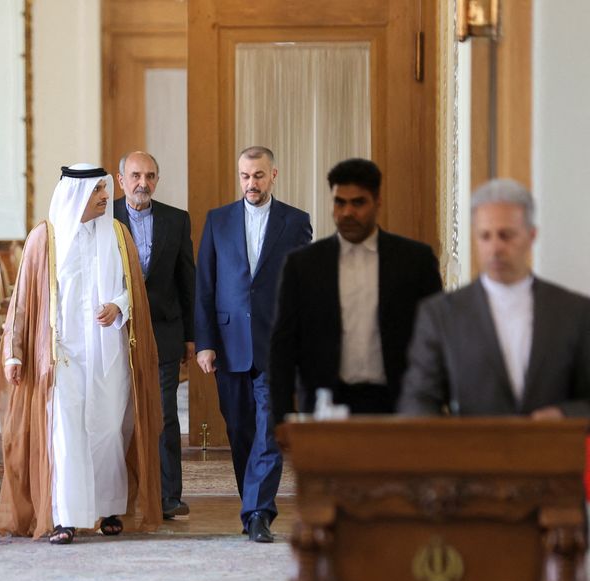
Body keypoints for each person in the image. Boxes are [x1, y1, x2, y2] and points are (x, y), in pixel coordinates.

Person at [0, 164, 163, 544]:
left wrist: (119, 306)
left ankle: (107, 510)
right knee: (66, 434)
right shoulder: (46, 238)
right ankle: (64, 517)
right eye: (98, 192)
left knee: (106, 431)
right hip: (60, 356)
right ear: (76, 196)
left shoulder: (118, 235)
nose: (106, 198)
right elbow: (23, 298)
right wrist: (14, 352)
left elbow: (131, 289)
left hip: (109, 354)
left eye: (105, 191)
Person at [195, 146, 312, 543]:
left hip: (276, 345)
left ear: (273, 175)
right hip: (229, 345)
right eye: (245, 176)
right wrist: (205, 344)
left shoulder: (296, 222)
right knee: (241, 429)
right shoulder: (218, 221)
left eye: (259, 176)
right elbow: (205, 287)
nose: (251, 184)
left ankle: (260, 511)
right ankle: (252, 505)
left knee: (268, 431)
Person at [399, 178, 590, 417]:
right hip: (471, 450)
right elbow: (418, 399)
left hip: (552, 449)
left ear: (531, 236)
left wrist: (563, 414)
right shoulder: (441, 314)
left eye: (506, 235)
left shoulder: (575, 311)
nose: (495, 247)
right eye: (485, 236)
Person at [270, 158, 442, 423]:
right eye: (340, 202)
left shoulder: (414, 261)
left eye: (358, 202)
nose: (347, 212)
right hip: (326, 405)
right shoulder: (303, 265)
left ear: (377, 202)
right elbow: (283, 345)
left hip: (398, 403)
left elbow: (435, 339)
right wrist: (281, 418)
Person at [113, 151, 195, 520]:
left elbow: (187, 282)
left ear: (157, 181)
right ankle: (118, 496)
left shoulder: (176, 220)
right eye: (135, 175)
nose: (142, 183)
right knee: (116, 414)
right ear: (121, 180)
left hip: (164, 331)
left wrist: (192, 337)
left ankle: (168, 497)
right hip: (114, 333)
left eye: (149, 176)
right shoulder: (103, 217)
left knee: (163, 415)